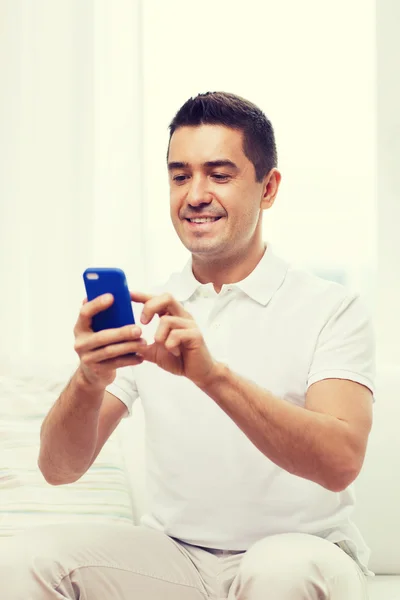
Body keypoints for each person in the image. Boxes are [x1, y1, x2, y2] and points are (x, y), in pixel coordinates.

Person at [0, 92, 375, 599]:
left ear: (268, 188)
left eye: (219, 175)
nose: (195, 194)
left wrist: (211, 376)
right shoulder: (151, 313)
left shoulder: (332, 307)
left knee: (279, 570)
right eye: (181, 176)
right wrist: (89, 379)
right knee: (25, 559)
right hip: (176, 557)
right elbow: (59, 469)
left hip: (304, 550)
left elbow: (340, 463)